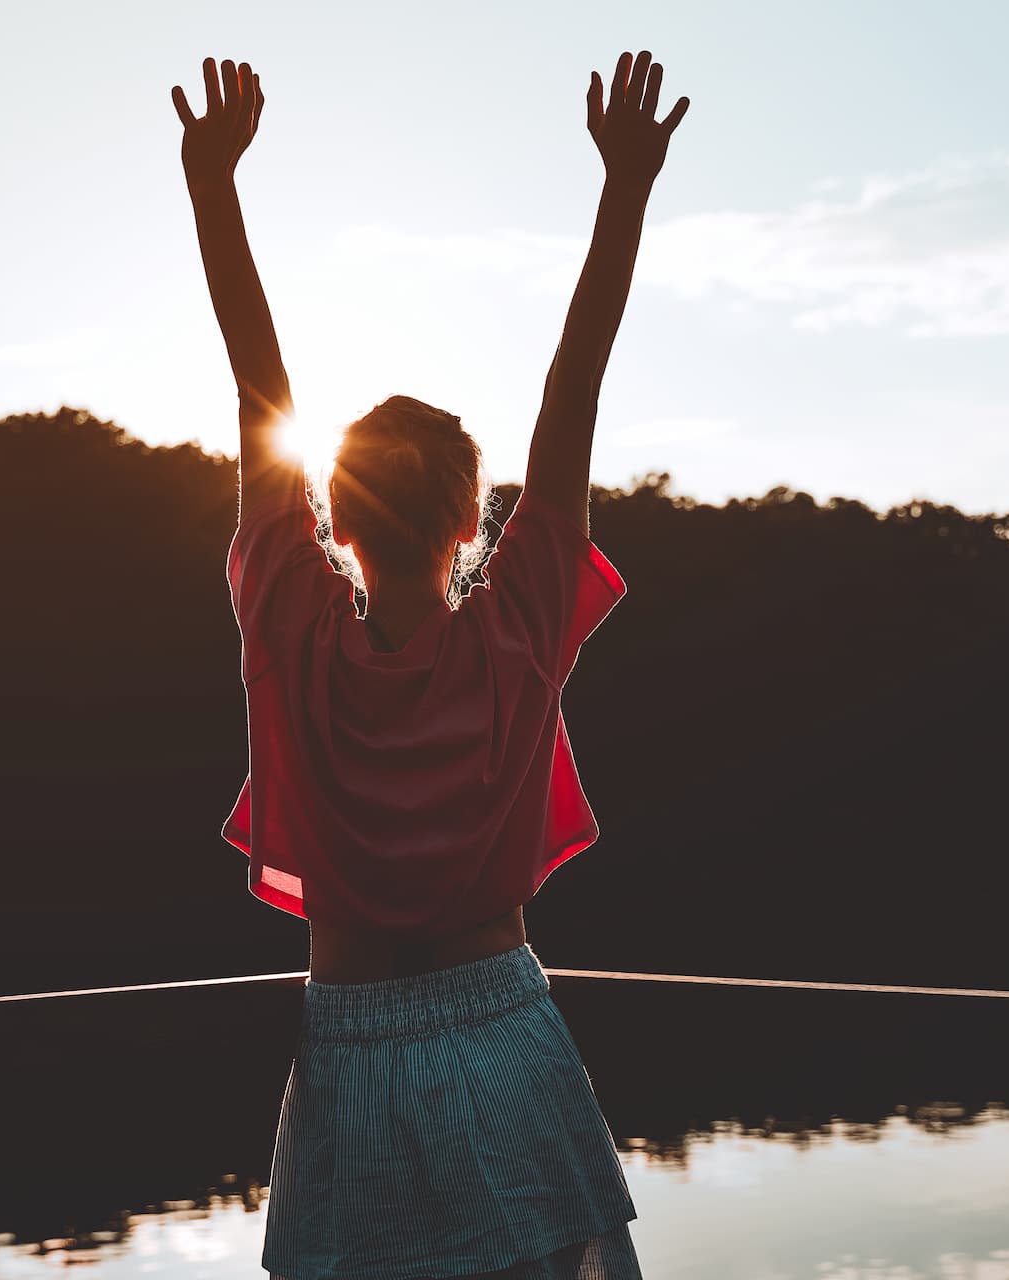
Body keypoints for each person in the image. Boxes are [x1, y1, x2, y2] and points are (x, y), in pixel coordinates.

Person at [172, 50, 689, 1280]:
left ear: (332, 522)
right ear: (473, 524)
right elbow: (576, 381)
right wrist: (624, 187)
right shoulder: (516, 633)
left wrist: (213, 186)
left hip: (346, 1046)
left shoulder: (289, 625)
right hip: (504, 1031)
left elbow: (258, 385)